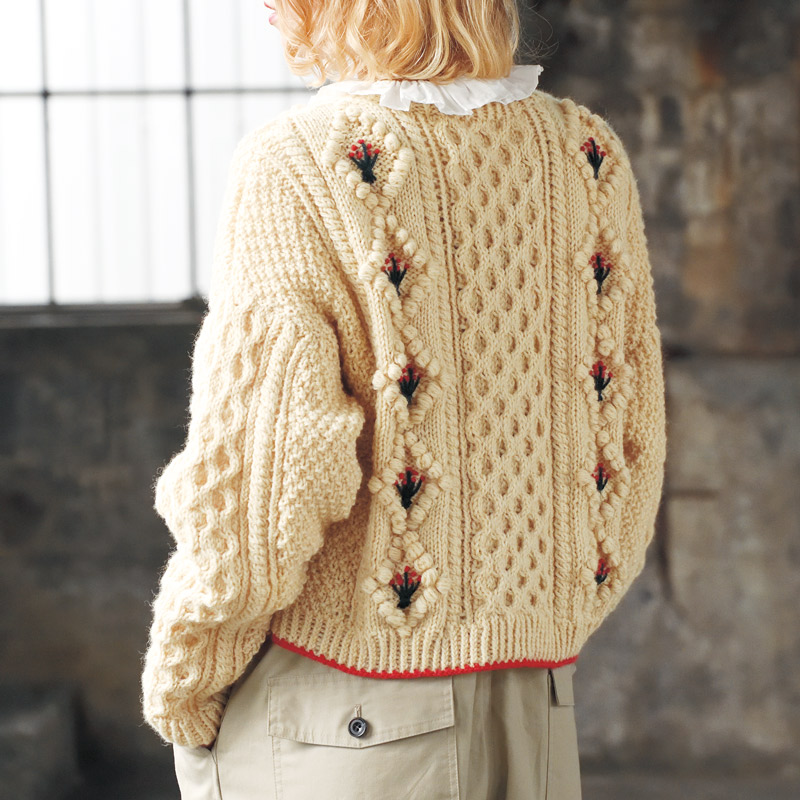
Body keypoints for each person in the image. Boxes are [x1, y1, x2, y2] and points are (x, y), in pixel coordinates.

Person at [140, 1, 667, 798]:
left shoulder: (298, 162)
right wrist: (538, 622)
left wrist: (188, 670)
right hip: (534, 705)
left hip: (341, 713)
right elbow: (629, 439)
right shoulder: (586, 154)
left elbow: (266, 475)